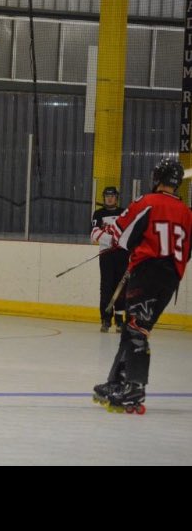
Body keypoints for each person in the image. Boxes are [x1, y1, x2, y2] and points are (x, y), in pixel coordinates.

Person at [92, 157, 192, 413]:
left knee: (136, 329)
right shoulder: (186, 212)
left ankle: (134, 387)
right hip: (171, 279)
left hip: (147, 273)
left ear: (156, 178)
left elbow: (120, 235)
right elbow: (187, 252)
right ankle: (117, 381)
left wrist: (101, 236)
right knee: (134, 327)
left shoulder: (147, 202)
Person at [90, 185, 129, 332]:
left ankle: (119, 321)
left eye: (112, 196)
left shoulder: (124, 213)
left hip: (122, 255)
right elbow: (94, 234)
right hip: (106, 255)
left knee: (121, 287)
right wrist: (111, 240)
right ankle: (106, 319)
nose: (109, 198)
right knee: (106, 287)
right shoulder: (98, 214)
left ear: (116, 198)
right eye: (107, 196)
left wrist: (123, 242)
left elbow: (130, 232)